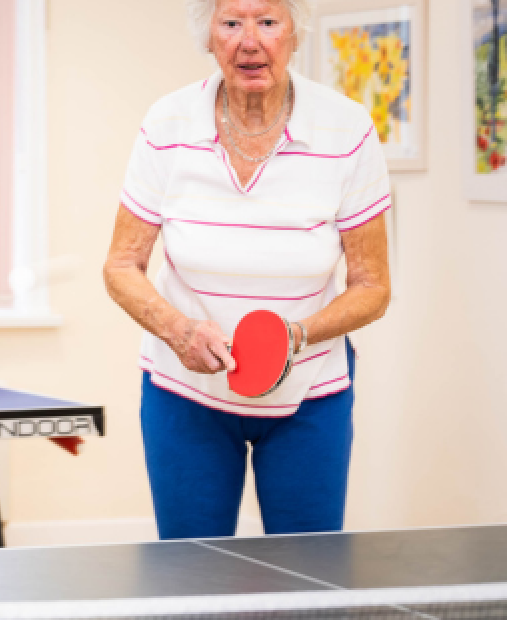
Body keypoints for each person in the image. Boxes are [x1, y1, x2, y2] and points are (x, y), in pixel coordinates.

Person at [103, 0, 392, 540]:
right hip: (183, 393)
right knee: (191, 576)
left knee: (309, 581)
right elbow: (121, 264)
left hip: (310, 396)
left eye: (267, 22)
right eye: (231, 23)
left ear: (294, 33)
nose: (249, 41)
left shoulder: (347, 130)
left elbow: (372, 286)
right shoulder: (167, 123)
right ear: (209, 36)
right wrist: (177, 330)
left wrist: (295, 336)